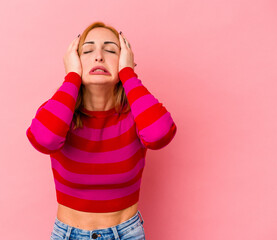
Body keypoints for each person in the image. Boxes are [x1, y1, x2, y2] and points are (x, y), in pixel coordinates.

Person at [26, 21, 177, 240]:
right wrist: (71, 78)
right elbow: (45, 139)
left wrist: (128, 73)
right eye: (87, 50)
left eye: (110, 50)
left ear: (125, 60)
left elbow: (160, 134)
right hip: (68, 234)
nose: (98, 57)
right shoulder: (60, 112)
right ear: (74, 62)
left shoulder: (137, 113)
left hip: (127, 233)